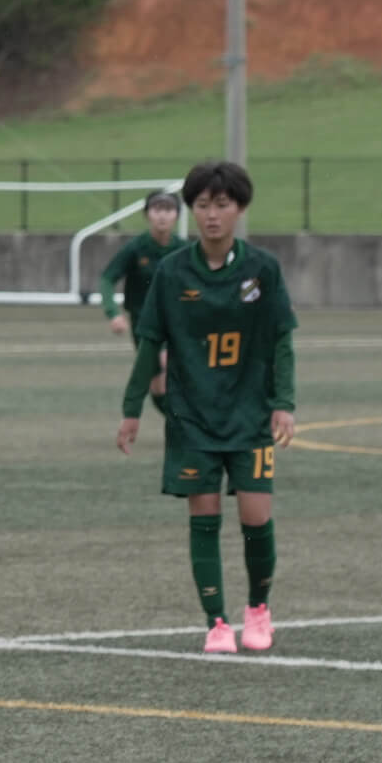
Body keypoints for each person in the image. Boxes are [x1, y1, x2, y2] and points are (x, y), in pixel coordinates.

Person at [116, 160, 296, 655]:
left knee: (256, 516)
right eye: (202, 205)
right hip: (192, 414)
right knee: (205, 515)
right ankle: (216, 623)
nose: (212, 215)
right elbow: (149, 343)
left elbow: (282, 339)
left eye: (222, 204)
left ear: (240, 208)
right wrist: (132, 408)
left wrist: (283, 403)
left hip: (251, 413)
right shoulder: (173, 272)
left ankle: (258, 609)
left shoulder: (262, 269)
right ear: (190, 211)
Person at [92, 189, 183, 415]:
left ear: (177, 215)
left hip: (175, 323)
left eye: (168, 209)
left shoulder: (184, 250)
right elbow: (107, 278)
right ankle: (178, 421)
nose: (162, 215)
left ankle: (194, 422)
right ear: (147, 214)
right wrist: (113, 313)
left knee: (168, 362)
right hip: (143, 325)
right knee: (158, 387)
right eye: (157, 209)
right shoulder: (136, 248)